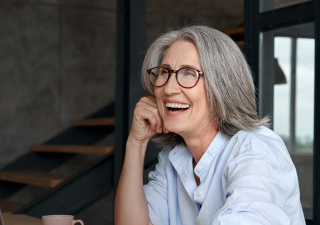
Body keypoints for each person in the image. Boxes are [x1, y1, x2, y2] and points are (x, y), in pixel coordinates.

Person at [114, 25, 306, 225]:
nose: (169, 88)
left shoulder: (255, 151)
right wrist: (136, 143)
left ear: (223, 85)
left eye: (188, 73)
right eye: (165, 72)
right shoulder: (173, 157)